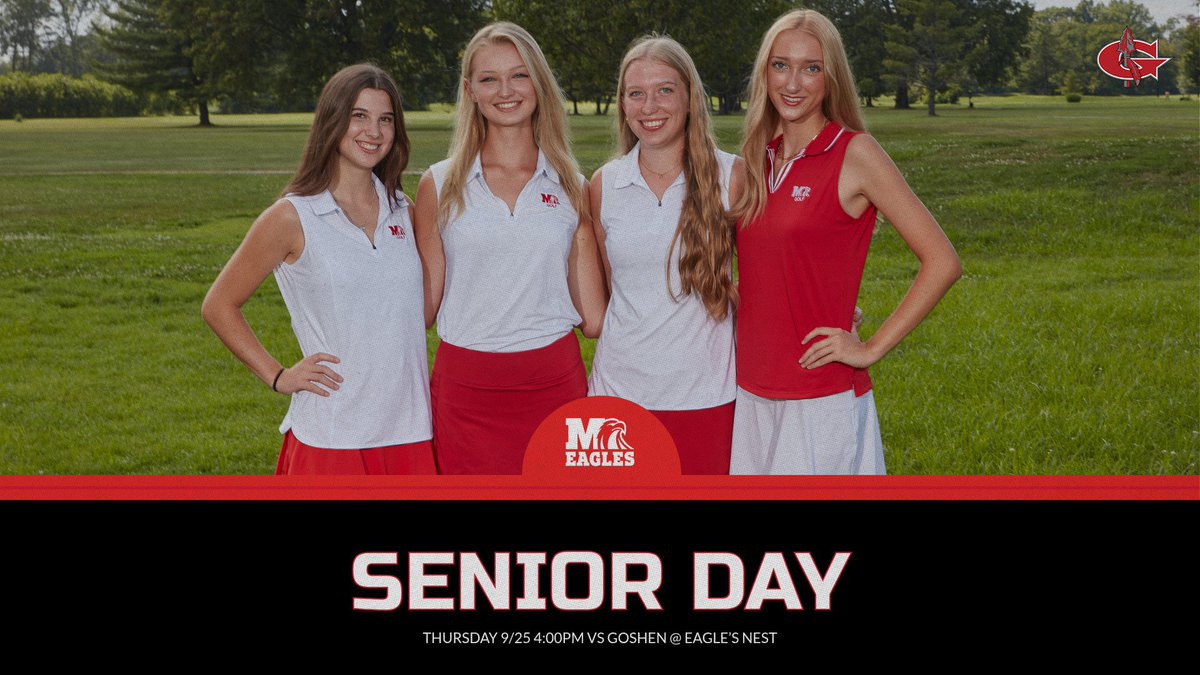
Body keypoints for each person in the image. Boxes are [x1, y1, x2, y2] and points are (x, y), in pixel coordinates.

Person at [730, 9, 962, 475]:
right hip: (751, 390)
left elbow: (943, 261)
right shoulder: (758, 158)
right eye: (781, 65)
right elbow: (762, 275)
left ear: (831, 77)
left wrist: (870, 347)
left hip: (818, 396)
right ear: (764, 73)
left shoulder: (854, 152)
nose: (793, 82)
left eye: (811, 68)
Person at [202, 64, 434, 475]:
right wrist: (277, 376)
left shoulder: (405, 209)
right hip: (333, 435)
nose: (374, 132)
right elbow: (219, 304)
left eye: (386, 119)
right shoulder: (293, 216)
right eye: (358, 116)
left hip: (411, 430)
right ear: (332, 120)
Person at [413, 22, 607, 475]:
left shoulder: (572, 187)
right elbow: (422, 308)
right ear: (470, 90)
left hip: (553, 385)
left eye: (519, 75)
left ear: (538, 84)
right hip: (465, 391)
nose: (506, 90)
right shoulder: (438, 185)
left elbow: (594, 319)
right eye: (489, 79)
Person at [587, 36, 741, 474]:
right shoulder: (604, 185)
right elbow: (606, 290)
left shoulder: (732, 175)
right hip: (616, 399)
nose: (649, 106)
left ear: (690, 97)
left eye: (664, 90)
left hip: (706, 396)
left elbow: (768, 277)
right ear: (622, 103)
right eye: (636, 93)